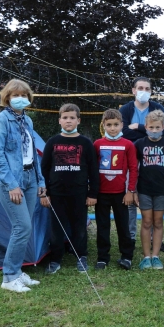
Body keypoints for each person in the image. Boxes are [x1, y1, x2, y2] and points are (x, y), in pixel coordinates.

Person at [0, 79, 46, 293]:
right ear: (7, 98)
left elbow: (33, 154)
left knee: (24, 227)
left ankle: (18, 272)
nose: (19, 98)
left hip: (31, 177)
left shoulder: (27, 121)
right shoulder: (1, 120)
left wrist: (40, 181)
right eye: (15, 95)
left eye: (23, 95)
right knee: (22, 227)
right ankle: (9, 277)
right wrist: (12, 185)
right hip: (11, 181)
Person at [40, 103, 99, 274]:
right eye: (65, 118)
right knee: (56, 228)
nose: (68, 121)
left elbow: (93, 170)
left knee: (79, 227)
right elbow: (43, 170)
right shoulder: (52, 142)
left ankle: (81, 256)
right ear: (59, 120)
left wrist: (92, 193)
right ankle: (55, 259)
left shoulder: (85, 143)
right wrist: (44, 193)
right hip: (56, 194)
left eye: (72, 118)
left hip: (79, 194)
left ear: (78, 120)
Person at [119, 77, 164, 252]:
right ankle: (131, 237)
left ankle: (155, 240)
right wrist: (144, 134)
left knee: (154, 203)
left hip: (152, 157)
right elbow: (124, 132)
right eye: (140, 87)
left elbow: (162, 131)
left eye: (147, 88)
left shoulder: (158, 108)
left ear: (151, 91)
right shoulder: (126, 109)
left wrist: (139, 126)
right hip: (133, 157)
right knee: (132, 199)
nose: (143, 91)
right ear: (133, 90)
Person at [92, 109, 138, 270]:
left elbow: (133, 169)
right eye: (109, 125)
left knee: (123, 226)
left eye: (116, 124)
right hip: (101, 194)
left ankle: (127, 256)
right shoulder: (97, 144)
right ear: (103, 125)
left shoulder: (128, 145)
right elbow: (92, 169)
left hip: (121, 194)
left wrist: (130, 191)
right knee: (102, 226)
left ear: (122, 125)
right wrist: (93, 192)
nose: (112, 128)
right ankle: (102, 257)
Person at [133, 110, 164, 270]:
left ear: (163, 127)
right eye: (151, 127)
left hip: (161, 191)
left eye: (157, 127)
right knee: (146, 222)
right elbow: (134, 169)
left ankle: (156, 256)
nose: (154, 130)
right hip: (144, 190)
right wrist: (134, 191)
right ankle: (146, 257)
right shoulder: (139, 144)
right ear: (145, 126)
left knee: (158, 222)